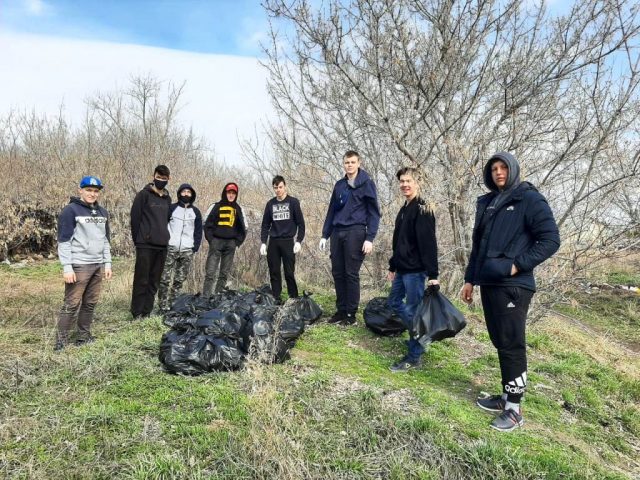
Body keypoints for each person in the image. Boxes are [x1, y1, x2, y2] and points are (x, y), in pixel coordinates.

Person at [461, 151, 560, 432]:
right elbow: (478, 246)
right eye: (494, 169)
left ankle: (514, 409)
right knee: (500, 340)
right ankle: (506, 396)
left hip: (514, 287)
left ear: (514, 169)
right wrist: (470, 279)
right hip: (489, 283)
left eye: (504, 167)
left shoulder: (529, 198)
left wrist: (517, 265)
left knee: (512, 343)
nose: (499, 172)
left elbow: (551, 240)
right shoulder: (489, 202)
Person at [386, 167, 439, 372]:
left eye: (409, 181)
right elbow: (400, 241)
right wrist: (393, 265)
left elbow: (429, 244)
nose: (405, 184)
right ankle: (421, 337)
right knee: (394, 302)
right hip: (401, 269)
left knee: (412, 311)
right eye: (402, 181)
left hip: (416, 271)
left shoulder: (423, 209)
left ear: (417, 183)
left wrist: (433, 275)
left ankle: (414, 357)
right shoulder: (405, 208)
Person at [319, 150, 381, 325]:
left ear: (359, 163)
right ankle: (341, 310)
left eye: (353, 162)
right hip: (338, 232)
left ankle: (350, 314)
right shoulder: (339, 185)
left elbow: (374, 213)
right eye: (347, 162)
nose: (350, 165)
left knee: (350, 273)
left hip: (356, 231)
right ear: (343, 164)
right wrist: (325, 234)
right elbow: (332, 210)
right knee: (338, 272)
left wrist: (370, 238)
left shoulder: (366, 184)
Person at [55, 176, 112, 350]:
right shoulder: (70, 211)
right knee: (71, 303)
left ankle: (83, 336)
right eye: (88, 190)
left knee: (90, 303)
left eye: (95, 191)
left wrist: (107, 263)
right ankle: (61, 343)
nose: (92, 194)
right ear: (80, 190)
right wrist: (67, 267)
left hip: (96, 265)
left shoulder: (103, 212)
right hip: (79, 265)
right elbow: (63, 241)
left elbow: (105, 240)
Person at [130, 164, 172, 319]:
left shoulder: (168, 199)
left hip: (162, 246)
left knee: (154, 281)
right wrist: (139, 239)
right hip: (145, 245)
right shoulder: (143, 195)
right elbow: (135, 218)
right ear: (153, 176)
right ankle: (136, 312)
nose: (161, 180)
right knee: (142, 279)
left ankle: (147, 311)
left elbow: (166, 220)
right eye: (158, 177)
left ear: (168, 179)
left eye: (164, 178)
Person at [260, 175, 306, 304]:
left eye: (280, 187)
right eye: (276, 188)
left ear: (285, 186)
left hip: (288, 241)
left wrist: (298, 241)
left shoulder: (293, 202)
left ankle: (293, 298)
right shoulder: (270, 204)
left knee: (289, 272)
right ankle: (276, 297)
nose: (278, 190)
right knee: (274, 271)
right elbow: (265, 224)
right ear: (273, 188)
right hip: (274, 241)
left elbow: (301, 224)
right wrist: (263, 242)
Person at [157, 183, 203, 312]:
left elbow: (199, 231)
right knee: (164, 279)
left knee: (179, 280)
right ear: (179, 194)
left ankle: (173, 306)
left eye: (189, 192)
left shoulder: (196, 212)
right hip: (170, 248)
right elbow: (163, 225)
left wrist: (195, 247)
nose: (186, 194)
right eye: (184, 192)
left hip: (187, 250)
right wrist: (165, 242)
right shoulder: (171, 208)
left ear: (192, 195)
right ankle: (162, 306)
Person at [202, 182, 247, 296]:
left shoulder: (238, 208)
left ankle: (218, 297)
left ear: (236, 195)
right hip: (216, 242)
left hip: (230, 244)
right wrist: (211, 239)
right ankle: (206, 298)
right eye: (229, 192)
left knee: (224, 273)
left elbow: (244, 226)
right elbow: (207, 223)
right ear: (225, 193)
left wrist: (237, 242)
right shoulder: (216, 206)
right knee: (210, 272)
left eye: (233, 193)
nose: (231, 195)